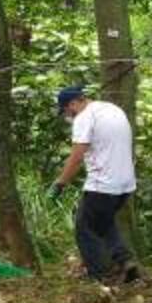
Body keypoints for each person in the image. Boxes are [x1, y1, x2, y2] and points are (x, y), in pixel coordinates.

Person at [48, 86, 140, 284]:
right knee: (104, 222)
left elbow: (77, 156)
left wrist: (60, 183)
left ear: (74, 103)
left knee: (84, 228)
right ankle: (125, 261)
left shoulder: (84, 117)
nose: (67, 116)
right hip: (126, 184)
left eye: (66, 111)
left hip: (103, 185)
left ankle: (99, 275)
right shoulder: (112, 109)